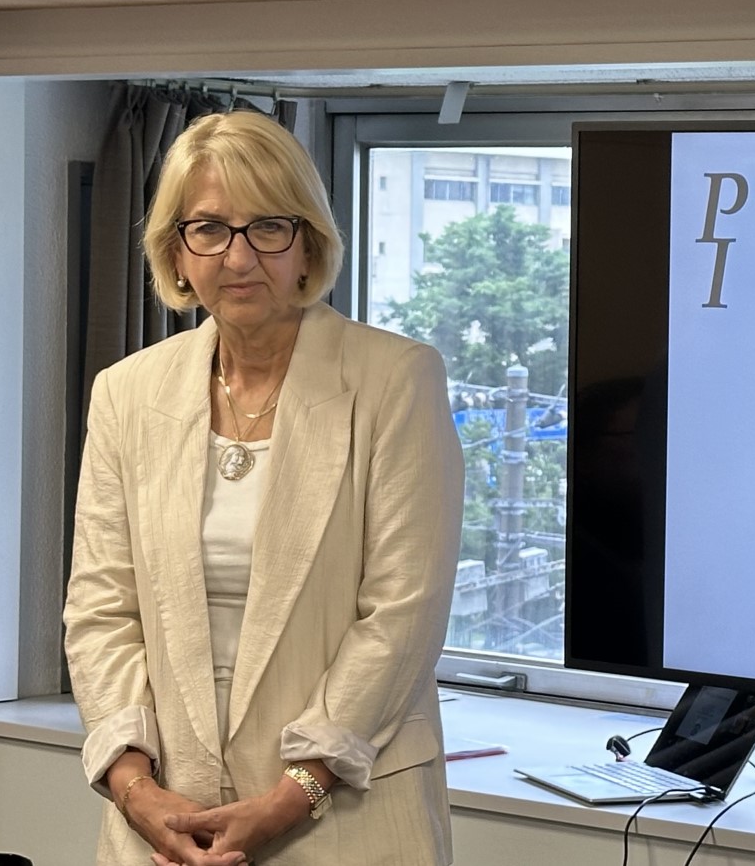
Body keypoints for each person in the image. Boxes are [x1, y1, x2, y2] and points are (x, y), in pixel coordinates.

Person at [64, 110, 463, 866]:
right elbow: (100, 609)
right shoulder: (126, 391)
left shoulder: (396, 379)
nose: (239, 256)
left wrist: (292, 796)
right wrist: (136, 790)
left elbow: (403, 615)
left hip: (343, 815)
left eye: (269, 227)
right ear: (177, 252)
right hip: (163, 825)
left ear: (308, 243)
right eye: (209, 229)